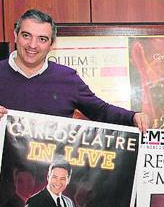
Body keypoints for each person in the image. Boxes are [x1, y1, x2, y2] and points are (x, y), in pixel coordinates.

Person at [0, 9, 149, 132]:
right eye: (26, 36)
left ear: (52, 44)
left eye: (42, 39)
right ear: (15, 36)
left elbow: (100, 111)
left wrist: (132, 117)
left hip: (52, 167)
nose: (32, 45)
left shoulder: (67, 78)